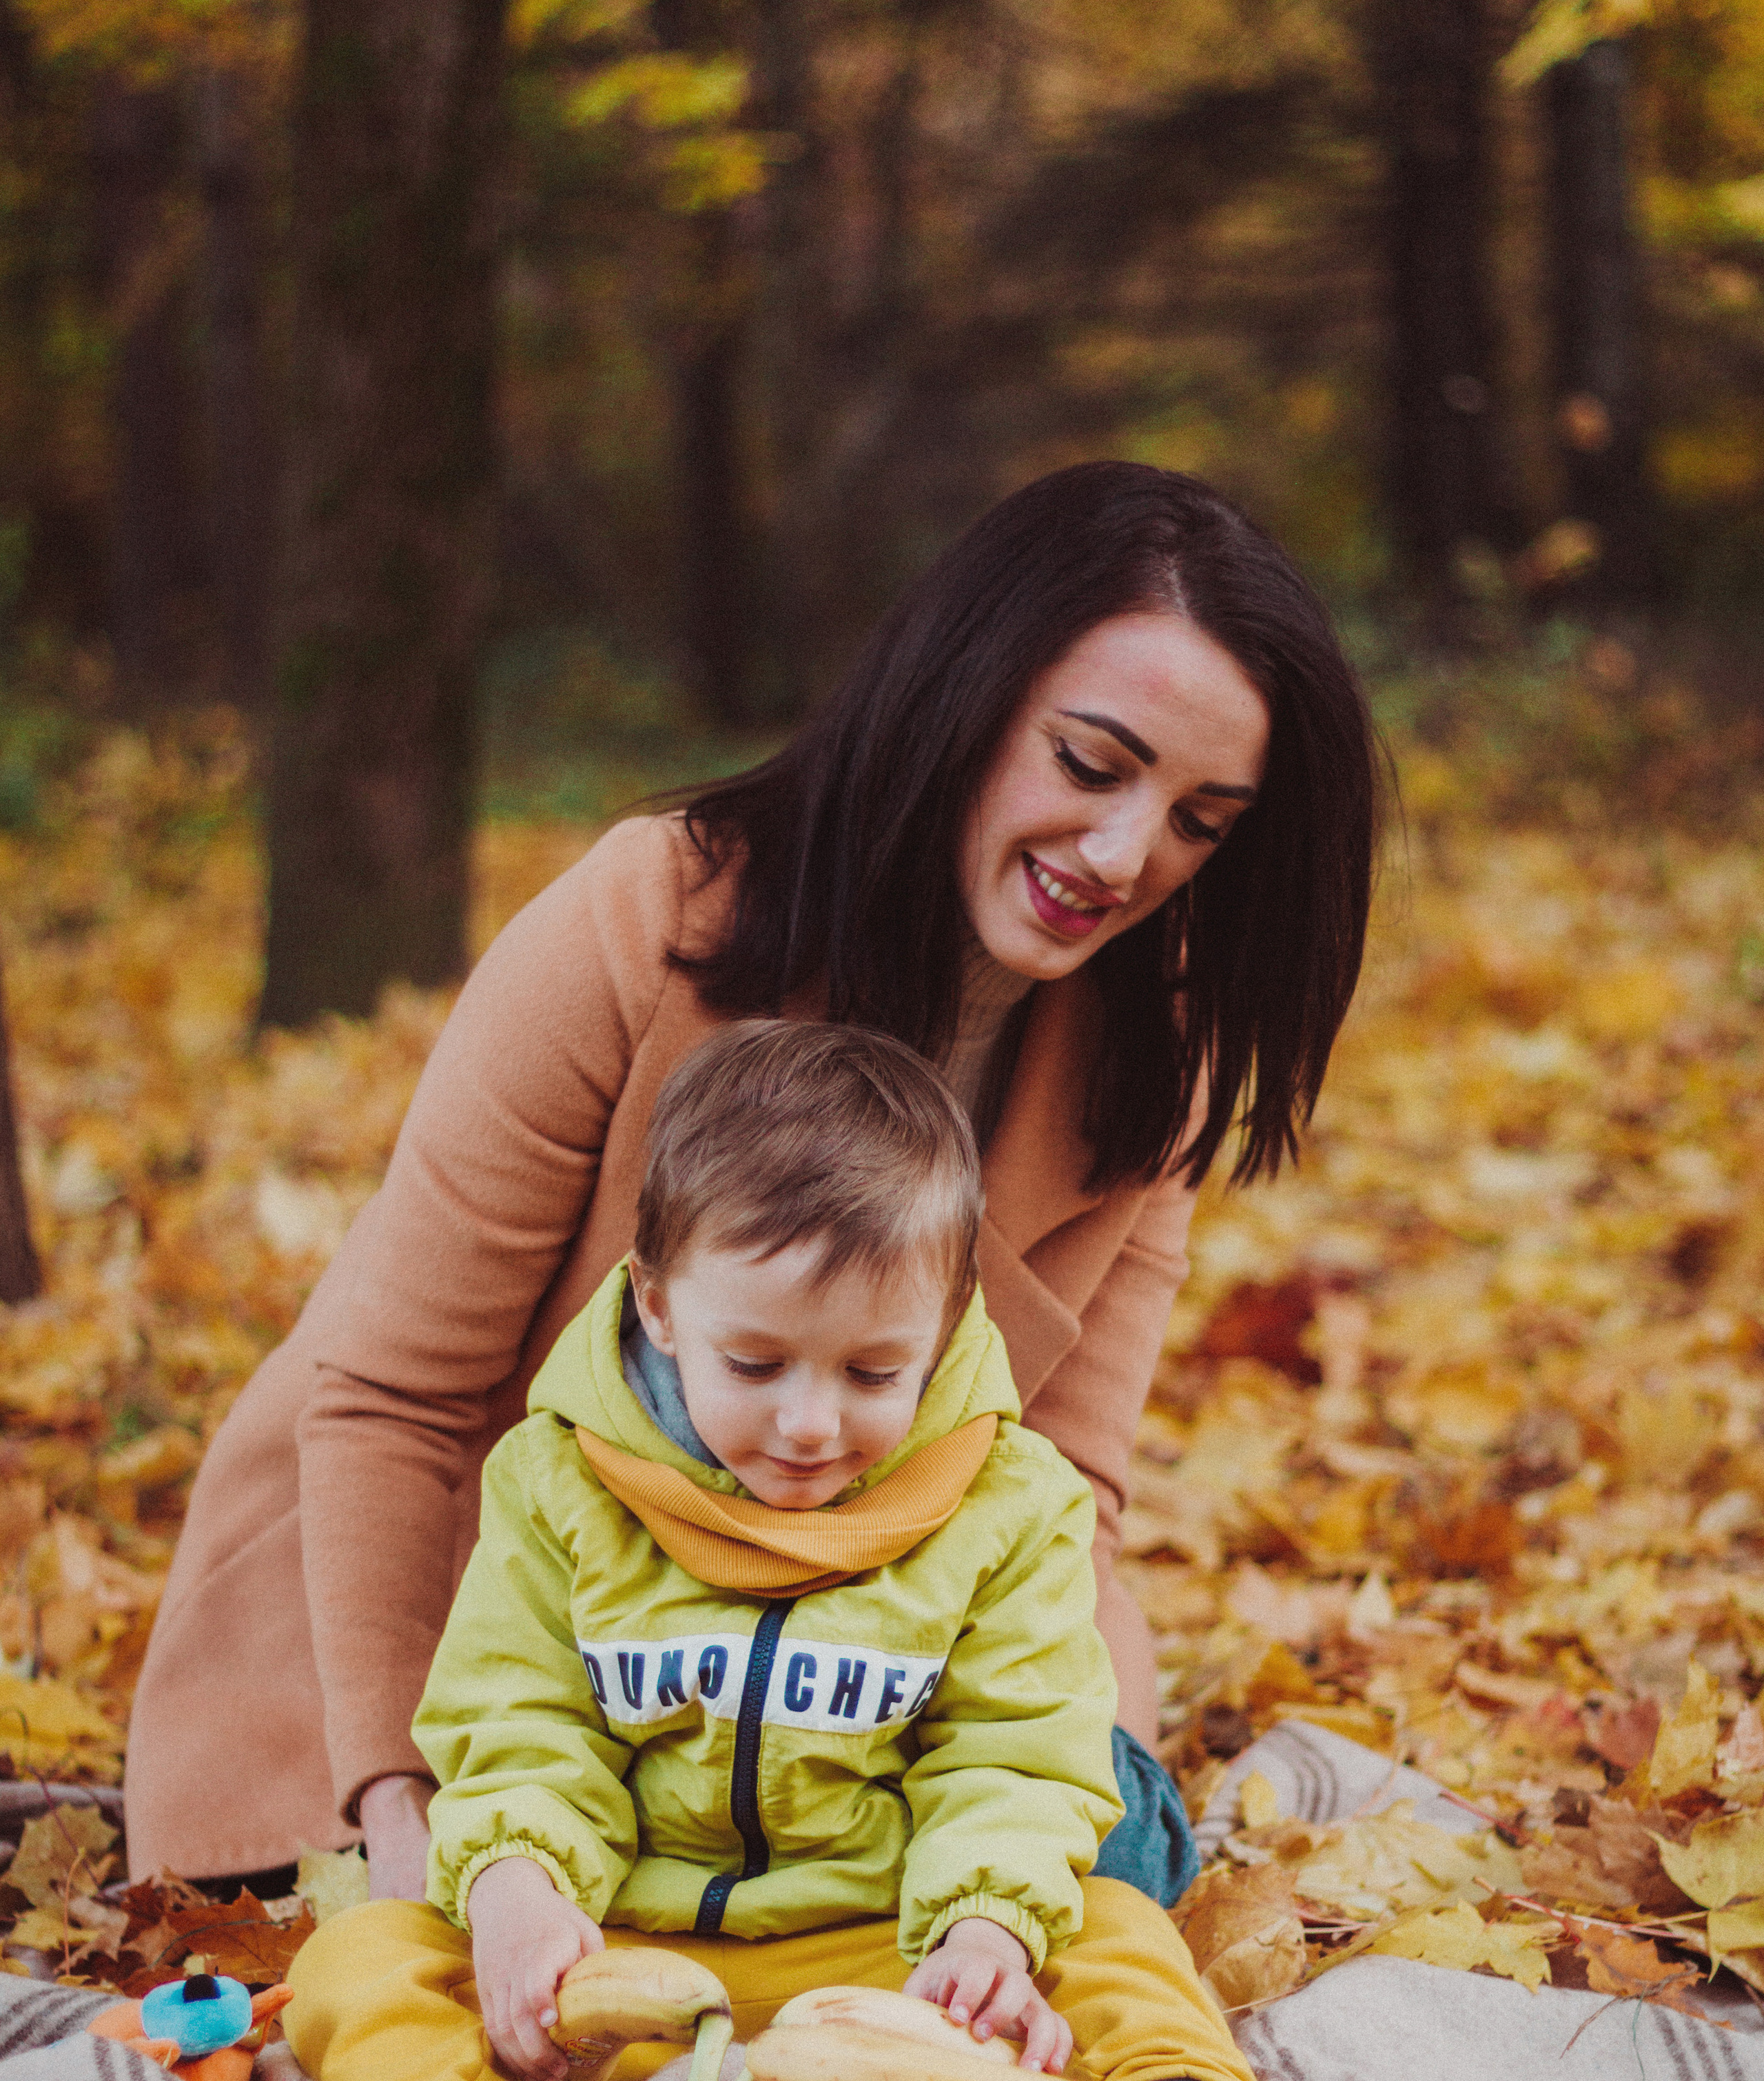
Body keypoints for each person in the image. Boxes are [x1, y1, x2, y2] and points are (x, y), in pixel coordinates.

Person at [123, 460, 1378, 1902]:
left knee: (1104, 1858)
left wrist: (1069, 1829)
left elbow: (1056, 1497)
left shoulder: (1148, 1073)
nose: (1121, 854)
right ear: (962, 697)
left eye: (1197, 821)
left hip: (808, 1715)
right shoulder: (646, 919)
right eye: (1090, 765)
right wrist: (406, 1802)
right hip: (460, 1647)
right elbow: (395, 1401)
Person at [287, 1025, 1415, 2081]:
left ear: (946, 1327)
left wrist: (985, 1924)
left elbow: (1018, 1747)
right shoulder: (556, 1484)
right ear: (662, 1309)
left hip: (890, 1952)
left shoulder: (1007, 1506)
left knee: (1114, 1924)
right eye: (758, 1363)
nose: (812, 1424)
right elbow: (519, 1714)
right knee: (363, 1958)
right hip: (619, 1951)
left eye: (875, 1375)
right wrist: (519, 1885)